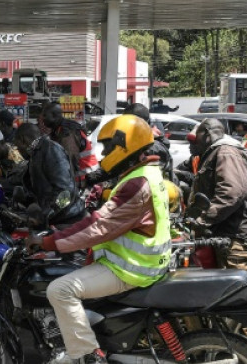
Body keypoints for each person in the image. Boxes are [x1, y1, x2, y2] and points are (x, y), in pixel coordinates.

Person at [26, 115, 171, 364]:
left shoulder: (136, 183)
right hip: (144, 263)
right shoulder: (147, 173)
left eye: (108, 147)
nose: (103, 154)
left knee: (60, 289)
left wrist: (50, 241)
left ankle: (87, 355)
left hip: (131, 269)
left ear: (125, 146)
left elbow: (98, 226)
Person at [187, 119, 247, 270]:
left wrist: (204, 219)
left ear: (206, 133)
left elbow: (231, 193)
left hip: (233, 238)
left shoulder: (226, 152)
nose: (193, 144)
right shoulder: (214, 152)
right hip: (221, 235)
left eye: (197, 137)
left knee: (235, 290)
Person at [13, 123, 86, 227]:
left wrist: (48, 213)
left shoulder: (50, 149)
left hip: (68, 219)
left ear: (23, 140)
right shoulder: (36, 153)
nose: (18, 150)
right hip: (58, 217)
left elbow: (66, 191)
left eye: (17, 145)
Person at [40, 102, 98, 182]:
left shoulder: (67, 133)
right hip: (79, 177)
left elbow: (69, 162)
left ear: (54, 116)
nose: (42, 118)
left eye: (45, 115)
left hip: (84, 179)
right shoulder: (57, 130)